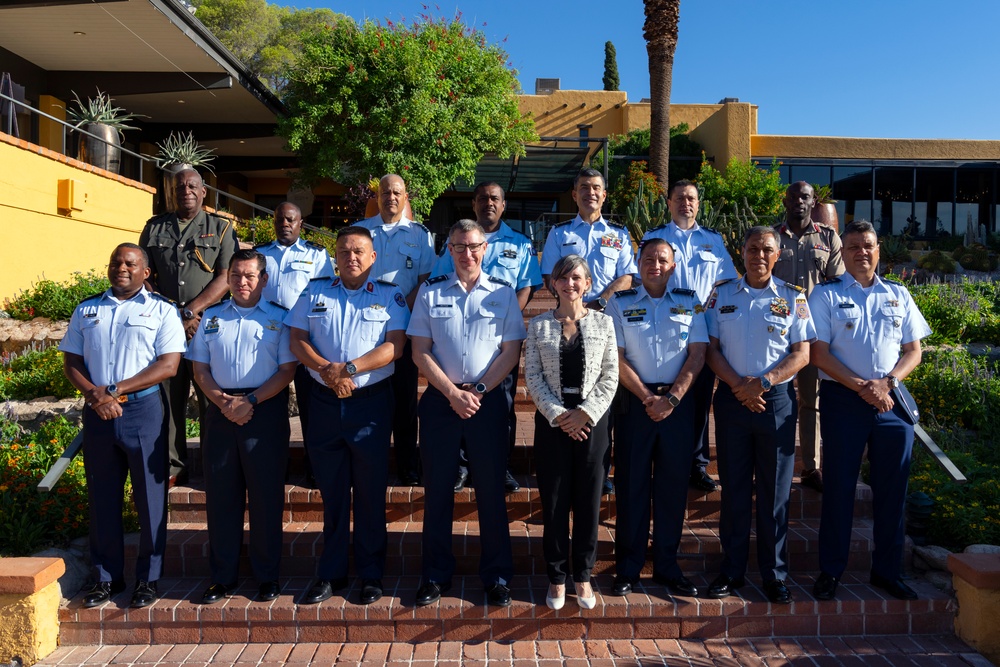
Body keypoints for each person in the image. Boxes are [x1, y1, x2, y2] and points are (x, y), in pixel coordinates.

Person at [286, 226, 409, 606]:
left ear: (373, 258)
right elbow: (297, 339)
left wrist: (348, 370)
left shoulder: (390, 295)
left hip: (370, 402)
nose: (351, 257)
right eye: (343, 251)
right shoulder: (314, 291)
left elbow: (395, 346)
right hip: (323, 402)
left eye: (359, 251)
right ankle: (332, 573)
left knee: (370, 493)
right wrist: (328, 371)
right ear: (334, 258)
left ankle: (371, 575)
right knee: (333, 493)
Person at [809, 220, 931, 602]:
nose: (862, 252)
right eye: (854, 247)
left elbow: (914, 350)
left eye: (868, 245)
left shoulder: (899, 294)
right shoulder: (825, 296)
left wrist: (887, 383)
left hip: (891, 402)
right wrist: (863, 387)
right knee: (839, 489)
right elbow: (818, 354)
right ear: (842, 254)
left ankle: (887, 572)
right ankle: (831, 571)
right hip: (845, 400)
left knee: (893, 491)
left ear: (879, 250)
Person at [408, 220, 525, 608]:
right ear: (450, 250)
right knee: (438, 493)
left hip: (486, 403)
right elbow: (419, 350)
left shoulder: (504, 294)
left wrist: (475, 392)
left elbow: (511, 351)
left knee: (491, 493)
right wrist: (451, 392)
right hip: (442, 403)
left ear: (485, 249)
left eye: (474, 246)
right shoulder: (430, 292)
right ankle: (435, 574)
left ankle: (497, 576)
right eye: (459, 246)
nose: (467, 254)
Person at [61, 243, 185, 609]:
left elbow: (168, 365)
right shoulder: (87, 309)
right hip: (98, 414)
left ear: (146, 272)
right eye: (116, 262)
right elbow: (72, 362)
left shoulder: (162, 310)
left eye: (131, 263)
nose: (122, 268)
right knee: (102, 499)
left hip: (143, 411)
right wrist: (96, 396)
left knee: (150, 500)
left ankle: (148, 579)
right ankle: (107, 578)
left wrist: (115, 390)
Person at [703, 226, 814, 604]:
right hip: (734, 401)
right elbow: (711, 349)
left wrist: (762, 383)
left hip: (776, 402)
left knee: (775, 494)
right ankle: (731, 571)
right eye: (752, 249)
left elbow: (801, 354)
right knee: (734, 490)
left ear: (777, 254)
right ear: (742, 251)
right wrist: (740, 386)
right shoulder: (721, 295)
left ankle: (774, 575)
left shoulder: (793, 298)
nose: (759, 256)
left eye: (767, 250)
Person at [187, 250, 298, 604]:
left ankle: (267, 577)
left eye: (250, 276)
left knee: (266, 498)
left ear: (263, 280)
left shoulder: (280, 319)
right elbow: (199, 368)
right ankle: (223, 578)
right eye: (236, 275)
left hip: (263, 411)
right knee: (222, 498)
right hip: (220, 411)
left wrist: (248, 402)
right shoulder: (212, 317)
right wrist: (222, 402)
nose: (242, 282)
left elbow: (286, 372)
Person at [605, 238, 708, 598]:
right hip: (636, 404)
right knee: (631, 486)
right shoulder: (619, 303)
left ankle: (667, 565)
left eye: (663, 260)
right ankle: (628, 568)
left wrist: (674, 398)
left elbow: (698, 354)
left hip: (678, 407)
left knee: (672, 488)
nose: (656, 265)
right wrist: (649, 397)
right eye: (649, 259)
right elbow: (614, 358)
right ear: (638, 262)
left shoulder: (690, 302)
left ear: (673, 265)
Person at [431, 181, 542, 493]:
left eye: (494, 198)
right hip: (457, 334)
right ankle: (462, 467)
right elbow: (441, 277)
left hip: (498, 341)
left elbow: (527, 286)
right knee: (457, 406)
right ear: (474, 203)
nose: (488, 203)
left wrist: (504, 319)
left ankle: (500, 466)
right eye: (482, 198)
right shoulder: (456, 241)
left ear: (503, 205)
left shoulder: (520, 244)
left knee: (501, 410)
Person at [524, 255, 618, 610]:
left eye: (576, 277)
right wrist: (561, 416)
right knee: (555, 503)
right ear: (554, 284)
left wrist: (586, 414)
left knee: (588, 501)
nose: (569, 284)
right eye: (562, 278)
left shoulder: (605, 323)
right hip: (553, 425)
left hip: (592, 424)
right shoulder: (538, 326)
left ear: (588, 283)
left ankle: (583, 574)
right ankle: (557, 576)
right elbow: (532, 377)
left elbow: (611, 374)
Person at [540, 168, 637, 495]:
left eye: (596, 188)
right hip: (566, 323)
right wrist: (576, 304)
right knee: (566, 385)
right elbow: (549, 276)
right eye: (584, 188)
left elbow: (628, 277)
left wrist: (598, 303)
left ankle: (601, 471)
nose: (590, 193)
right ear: (575, 194)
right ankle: (565, 466)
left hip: (608, 325)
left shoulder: (620, 235)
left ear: (604, 194)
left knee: (605, 394)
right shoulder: (558, 233)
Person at [139, 168, 238, 486]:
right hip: (167, 329)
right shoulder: (154, 227)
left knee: (212, 397)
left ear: (203, 191)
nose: (186, 190)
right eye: (180, 186)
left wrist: (193, 311)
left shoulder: (221, 227)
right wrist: (174, 315)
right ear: (172, 191)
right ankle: (173, 465)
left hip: (206, 329)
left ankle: (214, 464)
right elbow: (145, 276)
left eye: (192, 186)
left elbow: (226, 276)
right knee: (169, 398)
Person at [642, 179, 739, 493]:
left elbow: (725, 282)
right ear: (669, 203)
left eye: (691, 198)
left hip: (701, 330)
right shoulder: (653, 237)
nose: (686, 202)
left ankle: (697, 465)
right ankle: (661, 460)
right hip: (661, 329)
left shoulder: (713, 240)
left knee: (698, 400)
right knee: (663, 389)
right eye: (680, 197)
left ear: (698, 204)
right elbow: (641, 279)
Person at [358, 174, 435, 486]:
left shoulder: (421, 234)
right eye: (385, 192)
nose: (391, 197)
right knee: (366, 396)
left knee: (404, 400)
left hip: (403, 326)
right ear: (377, 196)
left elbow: (425, 278)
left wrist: (401, 309)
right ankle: (366, 462)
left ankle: (407, 465)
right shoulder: (361, 232)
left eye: (397, 192)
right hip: (364, 326)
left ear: (406, 198)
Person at [772, 182, 844, 493]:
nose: (799, 201)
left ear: (813, 202)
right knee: (773, 396)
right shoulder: (772, 237)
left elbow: (838, 283)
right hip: (775, 333)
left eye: (805, 197)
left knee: (810, 401)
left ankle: (810, 467)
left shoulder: (827, 237)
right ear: (785, 200)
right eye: (793, 196)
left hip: (815, 335)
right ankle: (773, 462)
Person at [256, 201, 334, 486]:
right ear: (273, 221)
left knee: (310, 406)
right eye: (280, 219)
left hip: (303, 339)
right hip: (267, 338)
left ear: (301, 223)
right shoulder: (259, 254)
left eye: (291, 220)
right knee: (269, 406)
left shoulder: (317, 254)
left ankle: (314, 466)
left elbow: (326, 293)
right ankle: (275, 464)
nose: (285, 224)